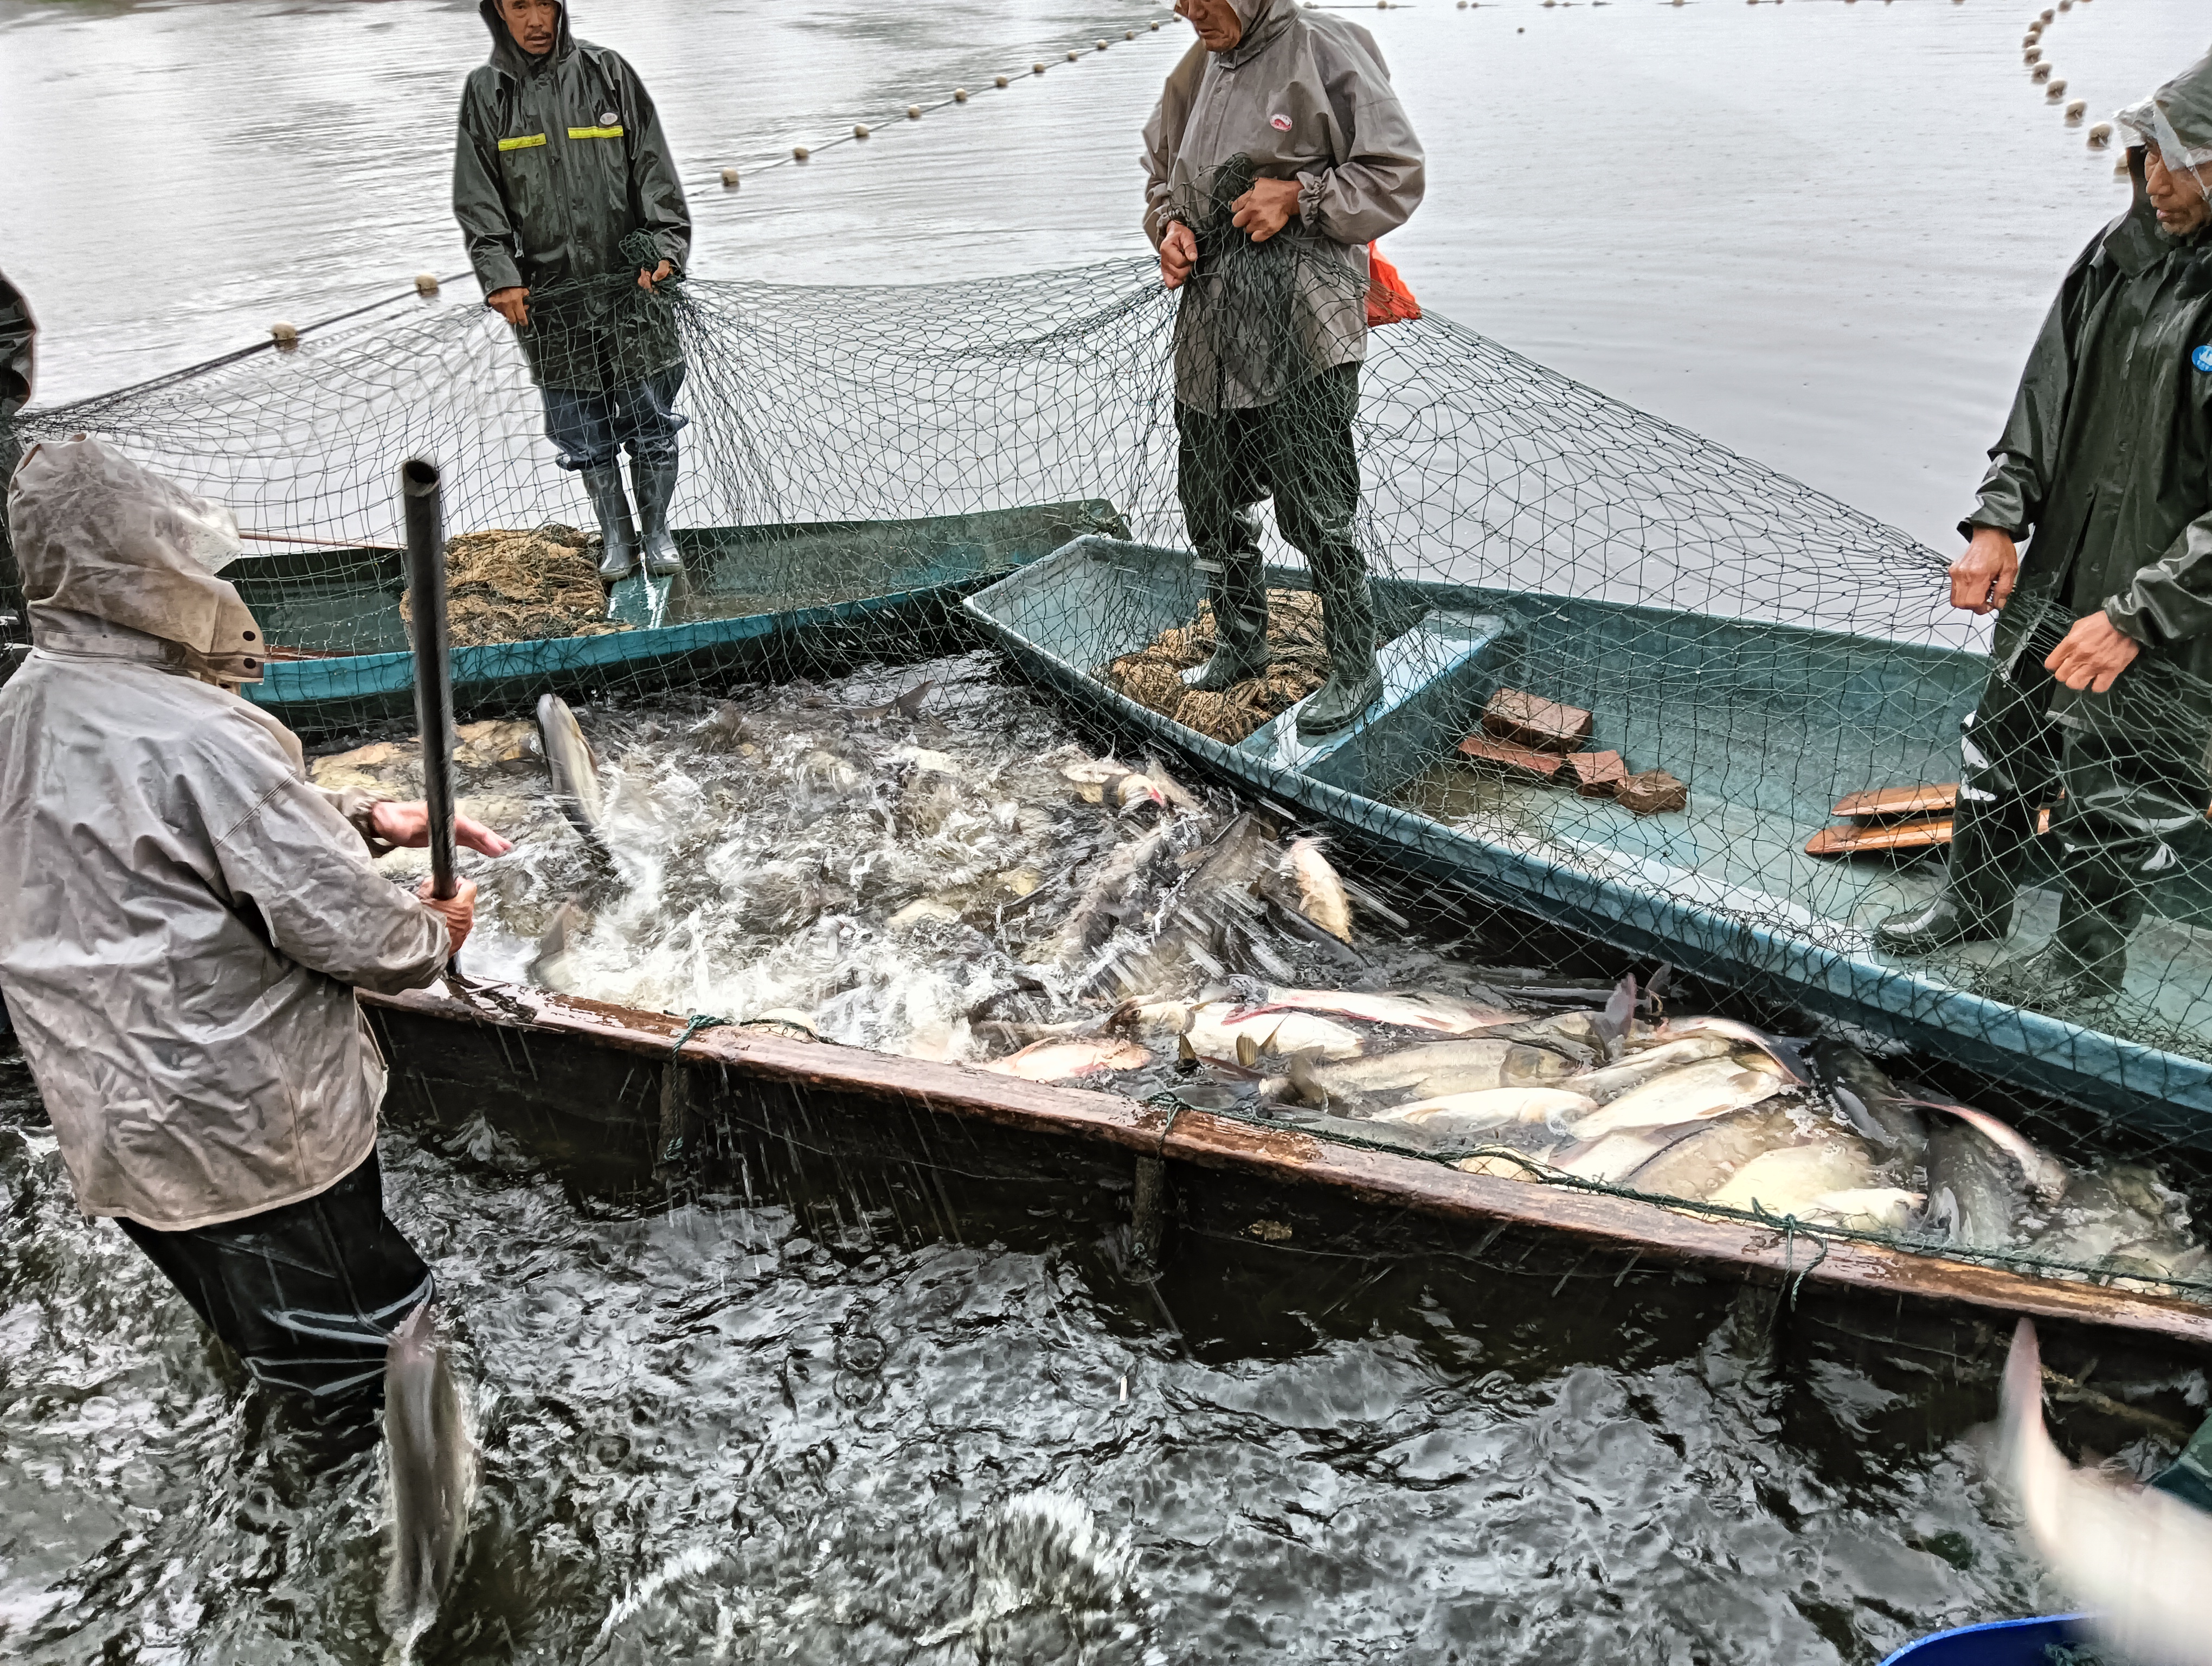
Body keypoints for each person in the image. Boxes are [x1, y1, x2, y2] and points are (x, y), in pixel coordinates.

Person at [0, 437, 514, 1402]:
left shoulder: (16, 711)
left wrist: (366, 818)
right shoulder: (205, 733)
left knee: (271, 1349)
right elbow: (370, 940)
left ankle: (288, 1467)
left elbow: (149, 848)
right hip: (248, 1140)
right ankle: (374, 1493)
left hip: (115, 1132)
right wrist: (434, 928)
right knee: (378, 1370)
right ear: (152, 563)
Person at [1877, 52, 2212, 1008]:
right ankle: (1971, 907)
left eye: (2178, 162)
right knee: (2001, 737)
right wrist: (1997, 519)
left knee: (2123, 782)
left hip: (2172, 607)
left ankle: (2083, 969)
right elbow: (2044, 396)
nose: (2154, 180)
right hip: (2063, 564)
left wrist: (2139, 616)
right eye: (2149, 156)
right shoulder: (2121, 252)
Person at [1142, 0, 1424, 739]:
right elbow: (1161, 173)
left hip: (1304, 330)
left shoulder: (1325, 47)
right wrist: (1170, 228)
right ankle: (1243, 643)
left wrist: (1299, 197)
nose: (1186, 10)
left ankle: (1355, 666)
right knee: (1209, 499)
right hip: (1212, 328)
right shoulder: (1199, 65)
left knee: (1314, 512)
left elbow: (1396, 174)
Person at [453, 0, 692, 582]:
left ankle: (656, 533)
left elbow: (655, 173)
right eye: (519, 6)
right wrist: (500, 276)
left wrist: (666, 249)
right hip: (551, 302)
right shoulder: (486, 93)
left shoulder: (609, 73)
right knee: (582, 431)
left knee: (652, 420)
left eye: (544, 3)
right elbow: (479, 201)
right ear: (498, 12)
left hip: (634, 293)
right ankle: (617, 539)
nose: (535, 21)